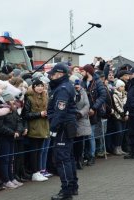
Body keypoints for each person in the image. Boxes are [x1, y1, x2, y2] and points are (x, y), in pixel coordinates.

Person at [47, 63, 78, 200]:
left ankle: (66, 191)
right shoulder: (65, 87)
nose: (51, 77)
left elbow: (60, 111)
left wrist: (53, 128)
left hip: (62, 127)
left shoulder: (62, 89)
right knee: (68, 158)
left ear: (59, 74)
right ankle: (72, 187)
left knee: (62, 159)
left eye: (52, 74)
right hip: (67, 126)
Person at [22, 78, 49, 182]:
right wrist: (39, 114)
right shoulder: (29, 98)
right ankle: (34, 172)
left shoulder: (45, 97)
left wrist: (47, 114)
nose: (40, 88)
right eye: (38, 86)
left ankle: (38, 171)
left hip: (43, 126)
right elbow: (26, 114)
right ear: (33, 87)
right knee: (34, 151)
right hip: (34, 127)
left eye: (41, 86)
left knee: (39, 150)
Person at [80, 64, 106, 165]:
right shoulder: (82, 82)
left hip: (94, 112)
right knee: (84, 135)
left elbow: (102, 95)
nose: (81, 73)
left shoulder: (98, 82)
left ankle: (91, 155)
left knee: (91, 135)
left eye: (83, 71)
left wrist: (94, 107)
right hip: (83, 112)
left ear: (88, 72)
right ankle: (84, 155)